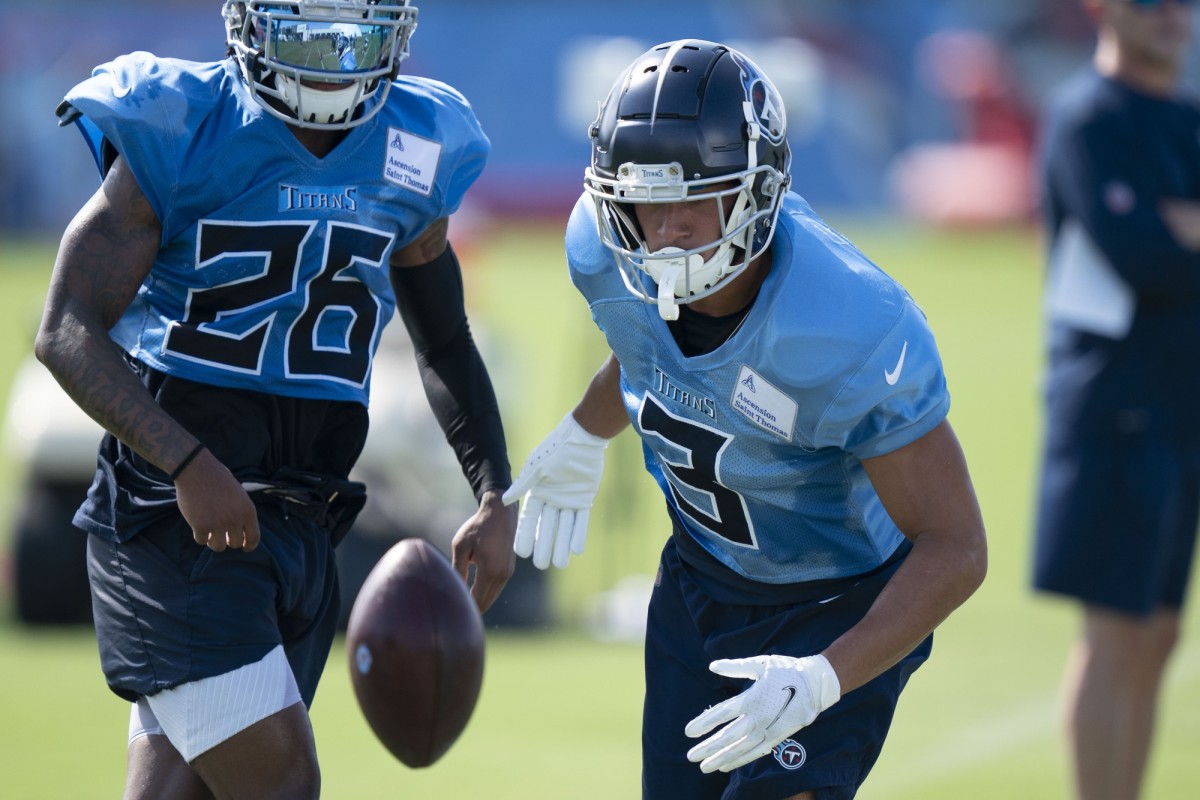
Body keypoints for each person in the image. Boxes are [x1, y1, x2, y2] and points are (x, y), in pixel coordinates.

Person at [34, 1, 516, 797]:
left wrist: (494, 490)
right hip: (174, 520)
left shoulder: (418, 141)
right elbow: (66, 329)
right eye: (304, 30)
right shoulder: (185, 121)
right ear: (251, 24)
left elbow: (446, 340)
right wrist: (186, 462)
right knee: (282, 783)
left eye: (352, 33)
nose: (330, 58)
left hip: (303, 517)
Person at [502, 39, 988, 800]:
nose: (665, 229)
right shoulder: (602, 247)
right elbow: (645, 351)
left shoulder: (849, 327)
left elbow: (956, 547)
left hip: (836, 602)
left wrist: (825, 676)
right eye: (644, 201)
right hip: (699, 583)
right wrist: (581, 433)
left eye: (695, 197)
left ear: (758, 190)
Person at [1032, 1, 1200, 798]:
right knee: (1112, 633)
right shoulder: (1087, 117)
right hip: (1113, 408)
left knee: (1160, 633)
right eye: (1148, 1)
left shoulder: (1186, 115)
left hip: (1180, 404)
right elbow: (1144, 254)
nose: (1170, 16)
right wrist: (1173, 234)